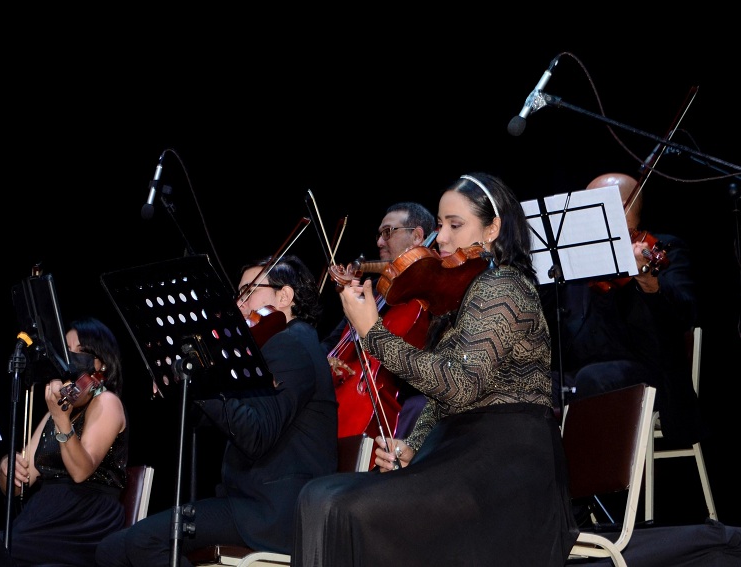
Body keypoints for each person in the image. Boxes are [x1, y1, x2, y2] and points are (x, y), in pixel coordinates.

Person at [293, 173, 578, 566]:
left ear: (493, 228)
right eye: (441, 225)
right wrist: (415, 443)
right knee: (317, 494)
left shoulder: (505, 288)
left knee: (345, 506)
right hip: (462, 453)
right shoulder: (463, 295)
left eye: (454, 225)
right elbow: (445, 401)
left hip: (506, 469)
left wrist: (372, 332)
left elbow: (458, 385)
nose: (440, 238)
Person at [96, 254, 338, 567]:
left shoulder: (291, 344)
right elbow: (209, 422)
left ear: (285, 295)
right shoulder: (269, 350)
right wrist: (181, 387)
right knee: (112, 549)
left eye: (249, 291)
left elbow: (256, 435)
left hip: (271, 513)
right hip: (246, 504)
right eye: (238, 294)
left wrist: (201, 380)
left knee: (142, 543)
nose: (238, 305)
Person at [542, 172, 706, 446]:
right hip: (581, 371)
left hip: (648, 373)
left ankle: (596, 485)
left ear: (627, 209)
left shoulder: (663, 248)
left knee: (592, 379)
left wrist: (649, 282)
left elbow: (686, 312)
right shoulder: (574, 258)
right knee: (527, 381)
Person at [0, 316, 128, 567]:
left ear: (100, 363)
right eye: (64, 351)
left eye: (77, 351)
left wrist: (62, 420)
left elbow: (81, 471)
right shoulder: (56, 412)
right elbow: (15, 487)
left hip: (83, 522)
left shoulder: (107, 403)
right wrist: (7, 468)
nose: (67, 359)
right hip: (45, 516)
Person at [320, 201, 437, 439]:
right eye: (379, 234)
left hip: (398, 414)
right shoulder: (374, 292)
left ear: (417, 236)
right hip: (343, 394)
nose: (379, 242)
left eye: (387, 233)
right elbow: (333, 342)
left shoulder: (430, 296)